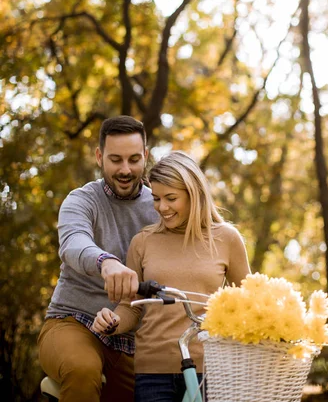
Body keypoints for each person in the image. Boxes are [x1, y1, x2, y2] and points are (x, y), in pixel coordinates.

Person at [93, 150, 251, 402]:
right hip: (153, 372)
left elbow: (246, 303)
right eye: (156, 198)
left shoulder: (227, 238)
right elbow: (131, 307)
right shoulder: (142, 242)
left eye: (171, 198)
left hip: (210, 368)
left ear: (194, 195)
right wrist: (112, 322)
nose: (162, 207)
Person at [38, 115, 159, 402]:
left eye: (133, 159)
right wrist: (106, 261)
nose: (126, 170)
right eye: (115, 160)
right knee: (83, 369)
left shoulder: (160, 207)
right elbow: (73, 243)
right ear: (99, 156)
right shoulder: (81, 200)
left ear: (146, 156)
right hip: (71, 323)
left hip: (129, 340)